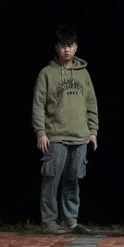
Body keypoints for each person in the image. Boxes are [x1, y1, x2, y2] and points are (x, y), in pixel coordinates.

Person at [31, 26, 99, 234]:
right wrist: (41, 132)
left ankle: (71, 221)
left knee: (73, 180)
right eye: (63, 46)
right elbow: (38, 104)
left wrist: (93, 131)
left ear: (76, 47)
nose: (67, 50)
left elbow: (91, 103)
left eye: (70, 46)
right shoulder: (47, 73)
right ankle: (49, 221)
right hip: (56, 136)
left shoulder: (84, 74)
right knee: (51, 180)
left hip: (80, 136)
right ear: (57, 48)